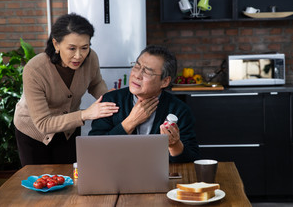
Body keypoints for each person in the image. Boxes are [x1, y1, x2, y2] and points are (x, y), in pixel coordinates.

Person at [14, 13, 119, 166]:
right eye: (72, 48)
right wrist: (86, 114)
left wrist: (110, 100)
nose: (79, 56)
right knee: (39, 182)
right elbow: (43, 124)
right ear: (56, 44)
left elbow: (95, 83)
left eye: (85, 47)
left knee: (69, 179)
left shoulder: (91, 58)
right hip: (34, 133)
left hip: (68, 129)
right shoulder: (35, 69)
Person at [89, 45, 200, 163]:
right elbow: (93, 150)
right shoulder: (111, 100)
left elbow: (192, 158)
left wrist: (174, 145)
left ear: (165, 81)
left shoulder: (179, 110)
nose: (137, 75)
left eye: (147, 72)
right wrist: (130, 122)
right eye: (137, 66)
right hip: (116, 174)